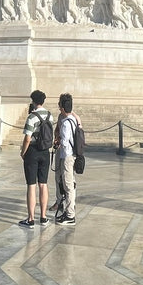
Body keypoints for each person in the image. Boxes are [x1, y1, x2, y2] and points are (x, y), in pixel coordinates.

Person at [18, 90, 53, 228]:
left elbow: (27, 138)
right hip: (45, 152)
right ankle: (43, 217)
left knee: (31, 185)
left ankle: (31, 219)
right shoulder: (50, 116)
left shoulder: (32, 117)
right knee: (43, 184)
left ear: (33, 101)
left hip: (33, 151)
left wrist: (23, 152)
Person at [55, 93, 80, 225]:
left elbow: (64, 142)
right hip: (73, 155)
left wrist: (58, 142)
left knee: (68, 186)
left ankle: (70, 215)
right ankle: (68, 211)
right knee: (70, 184)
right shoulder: (74, 119)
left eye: (59, 105)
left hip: (67, 157)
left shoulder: (65, 123)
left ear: (63, 107)